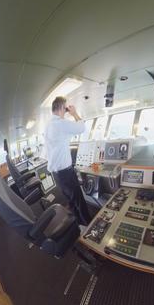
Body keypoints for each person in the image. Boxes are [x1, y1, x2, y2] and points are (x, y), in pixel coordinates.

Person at [44, 96, 92, 226]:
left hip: (57, 174)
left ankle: (79, 225)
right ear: (61, 108)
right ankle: (88, 228)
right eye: (65, 108)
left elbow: (64, 137)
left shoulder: (49, 124)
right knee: (79, 201)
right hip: (65, 173)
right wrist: (74, 113)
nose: (66, 111)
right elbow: (81, 128)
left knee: (71, 201)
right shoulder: (60, 123)